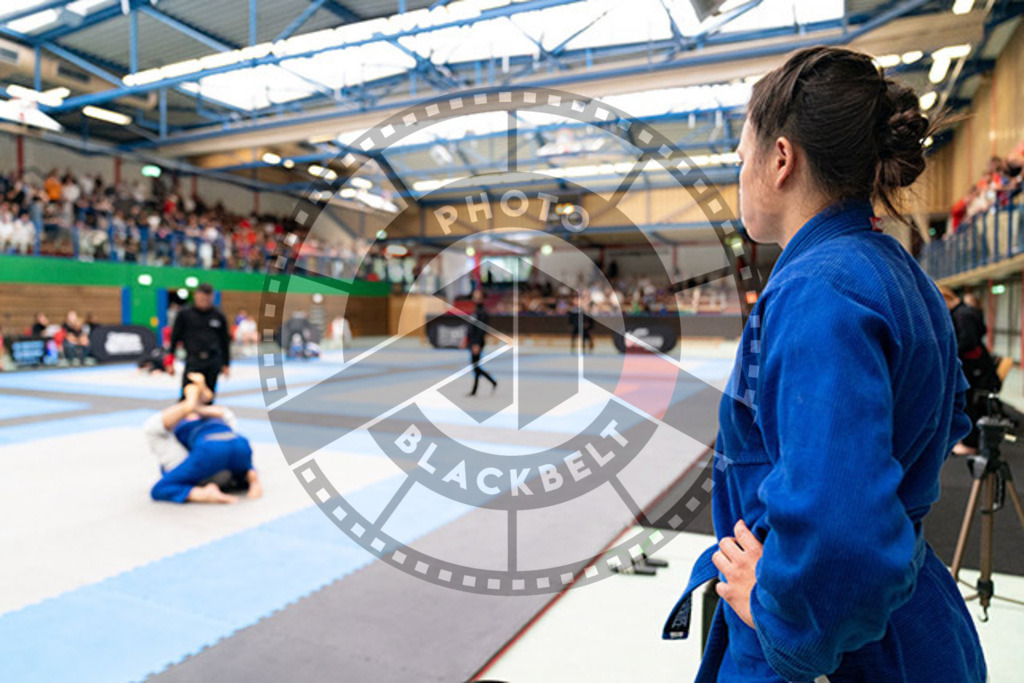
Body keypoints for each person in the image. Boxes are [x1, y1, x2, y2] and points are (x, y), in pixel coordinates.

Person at [665, 46, 985, 682]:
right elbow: (942, 424)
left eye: (740, 160)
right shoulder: (898, 274)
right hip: (908, 621)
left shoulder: (821, 289)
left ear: (780, 160)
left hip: (837, 650)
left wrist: (780, 615)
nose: (738, 178)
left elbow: (841, 523)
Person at [144, 372, 262, 504]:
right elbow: (219, 409)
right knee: (236, 458)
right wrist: (200, 393)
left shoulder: (183, 419)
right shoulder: (216, 415)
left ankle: (203, 494)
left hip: (210, 449)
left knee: (160, 488)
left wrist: (191, 403)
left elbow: (157, 424)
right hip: (240, 444)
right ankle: (251, 475)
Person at [941, 287, 1000, 455]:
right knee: (968, 402)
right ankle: (967, 439)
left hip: (973, 367)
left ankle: (969, 442)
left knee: (968, 403)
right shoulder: (965, 312)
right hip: (976, 365)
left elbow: (968, 341)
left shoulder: (962, 315)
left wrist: (950, 352)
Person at [170, 282, 230, 398]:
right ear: (196, 296)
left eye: (207, 299)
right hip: (193, 359)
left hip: (213, 360)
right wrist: (170, 360)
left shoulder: (218, 315)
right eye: (202, 298)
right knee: (187, 396)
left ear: (212, 297)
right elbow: (175, 337)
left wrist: (226, 364)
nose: (204, 301)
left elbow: (225, 341)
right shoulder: (184, 314)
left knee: (208, 397)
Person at [466, 288, 497, 396]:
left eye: (478, 296)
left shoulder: (482, 313)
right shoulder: (475, 311)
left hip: (477, 342)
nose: (475, 298)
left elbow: (481, 330)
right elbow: (471, 328)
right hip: (473, 342)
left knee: (475, 366)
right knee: (475, 366)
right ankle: (478, 388)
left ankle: (491, 382)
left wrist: (477, 344)